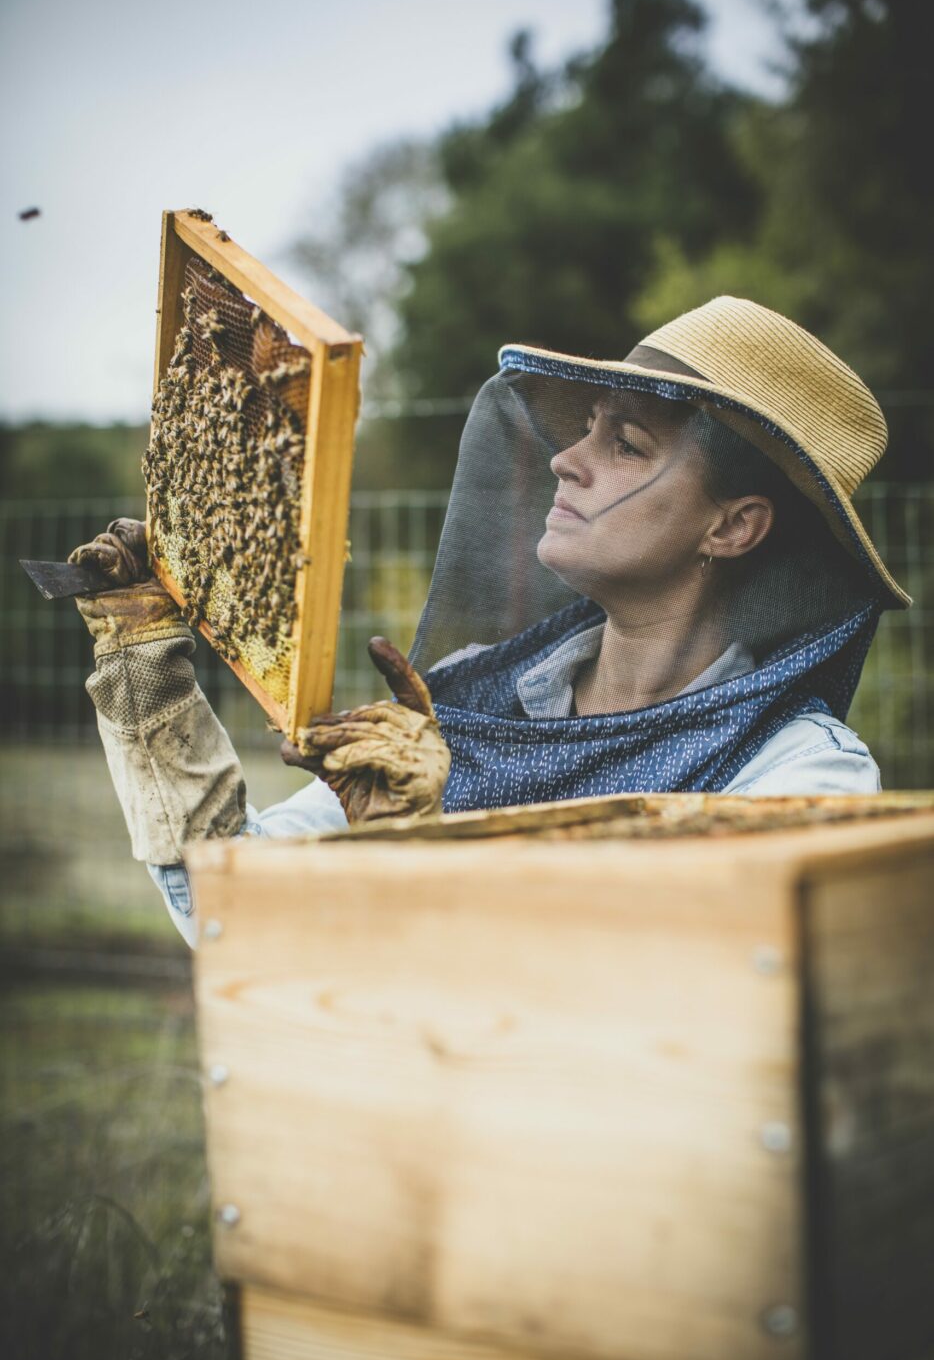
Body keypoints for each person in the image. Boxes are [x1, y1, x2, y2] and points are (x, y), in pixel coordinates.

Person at [72, 297, 910, 945]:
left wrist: (422, 854)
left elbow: (680, 1005)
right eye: (586, 430)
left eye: (627, 446)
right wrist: (143, 670)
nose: (564, 461)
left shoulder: (801, 775)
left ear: (733, 526)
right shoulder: (473, 700)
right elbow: (231, 908)